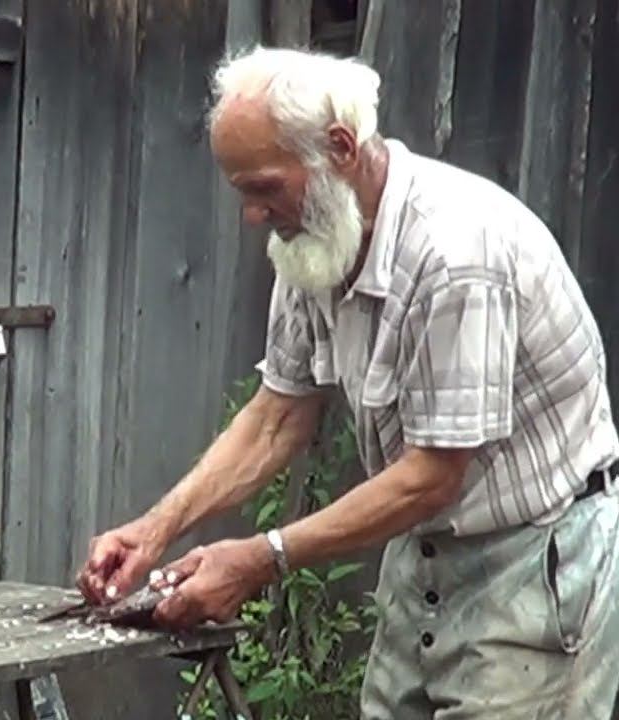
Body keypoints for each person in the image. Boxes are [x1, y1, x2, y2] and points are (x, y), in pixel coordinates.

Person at [76, 45, 619, 718]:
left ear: (340, 147)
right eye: (242, 192)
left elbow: (433, 476)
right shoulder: (315, 243)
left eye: (265, 187)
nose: (252, 215)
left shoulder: (456, 252)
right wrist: (157, 529)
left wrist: (263, 556)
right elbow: (277, 416)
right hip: (425, 552)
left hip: (535, 559)